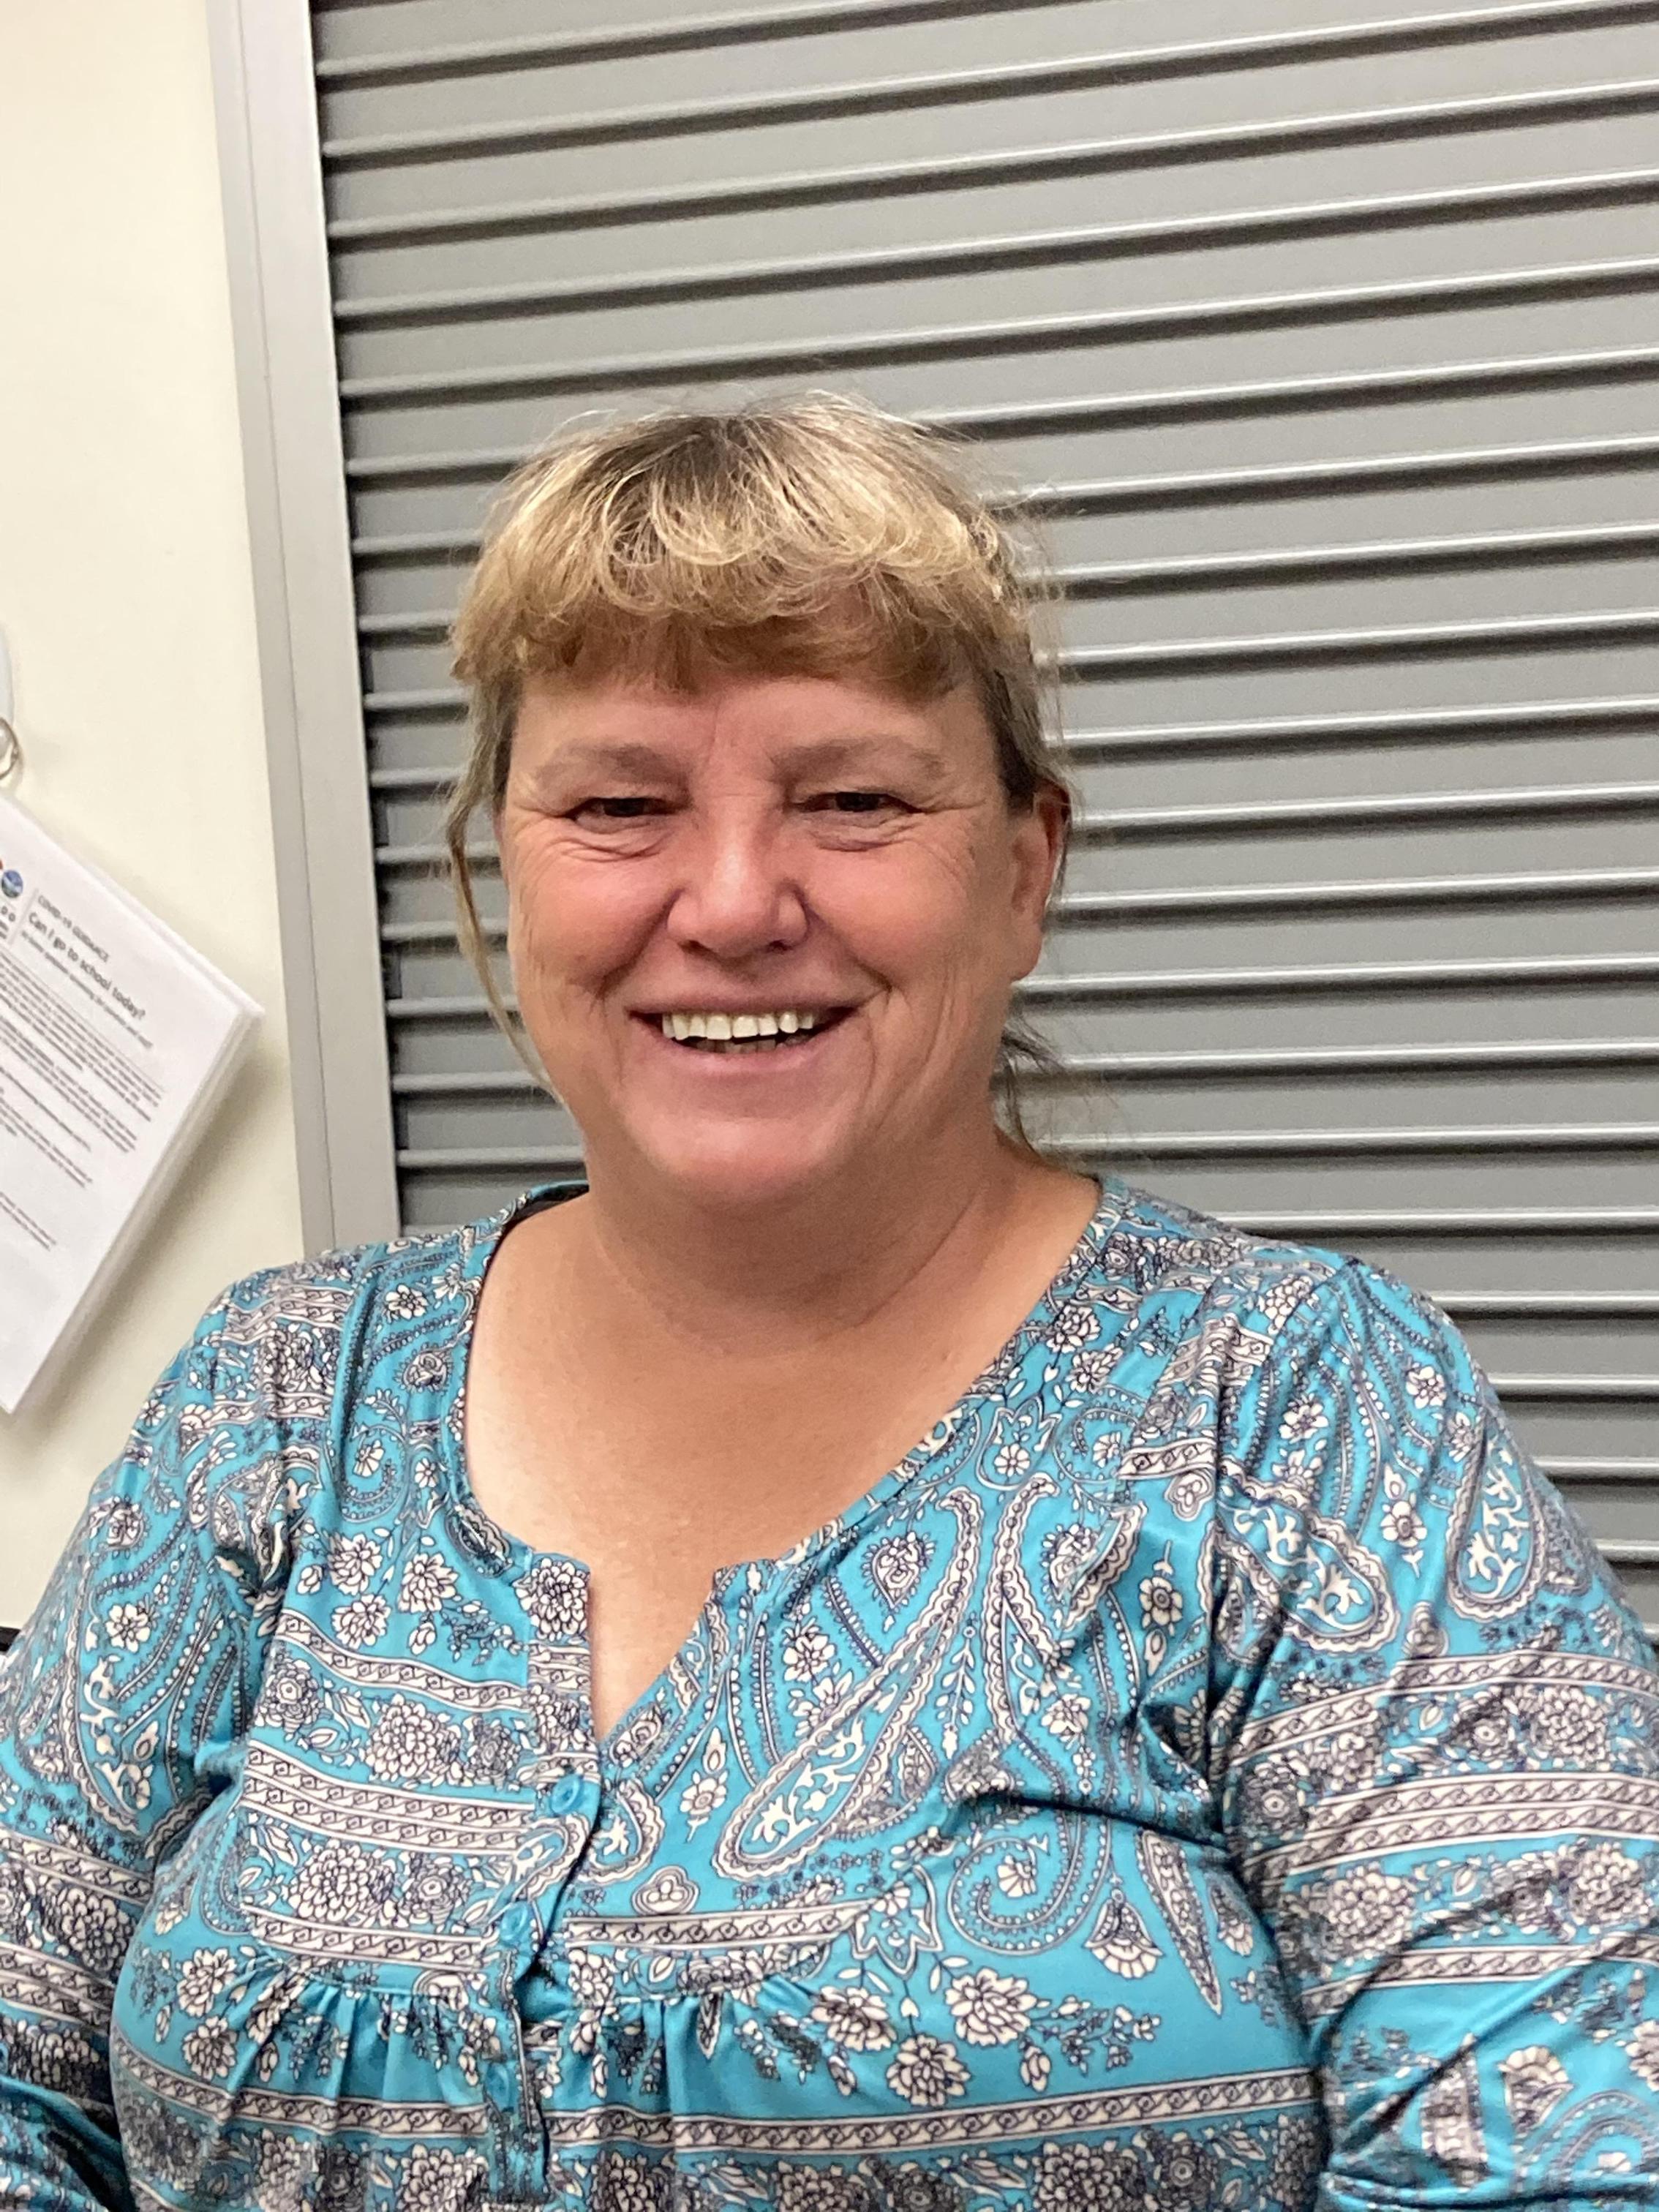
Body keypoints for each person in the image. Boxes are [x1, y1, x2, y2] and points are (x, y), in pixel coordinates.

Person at [1, 397, 1656, 2212]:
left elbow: (1561, 2157)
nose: (730, 904)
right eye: (619, 804)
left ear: (1022, 870)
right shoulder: (279, 1397)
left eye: (853, 799)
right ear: (499, 874)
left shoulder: (1301, 1418)